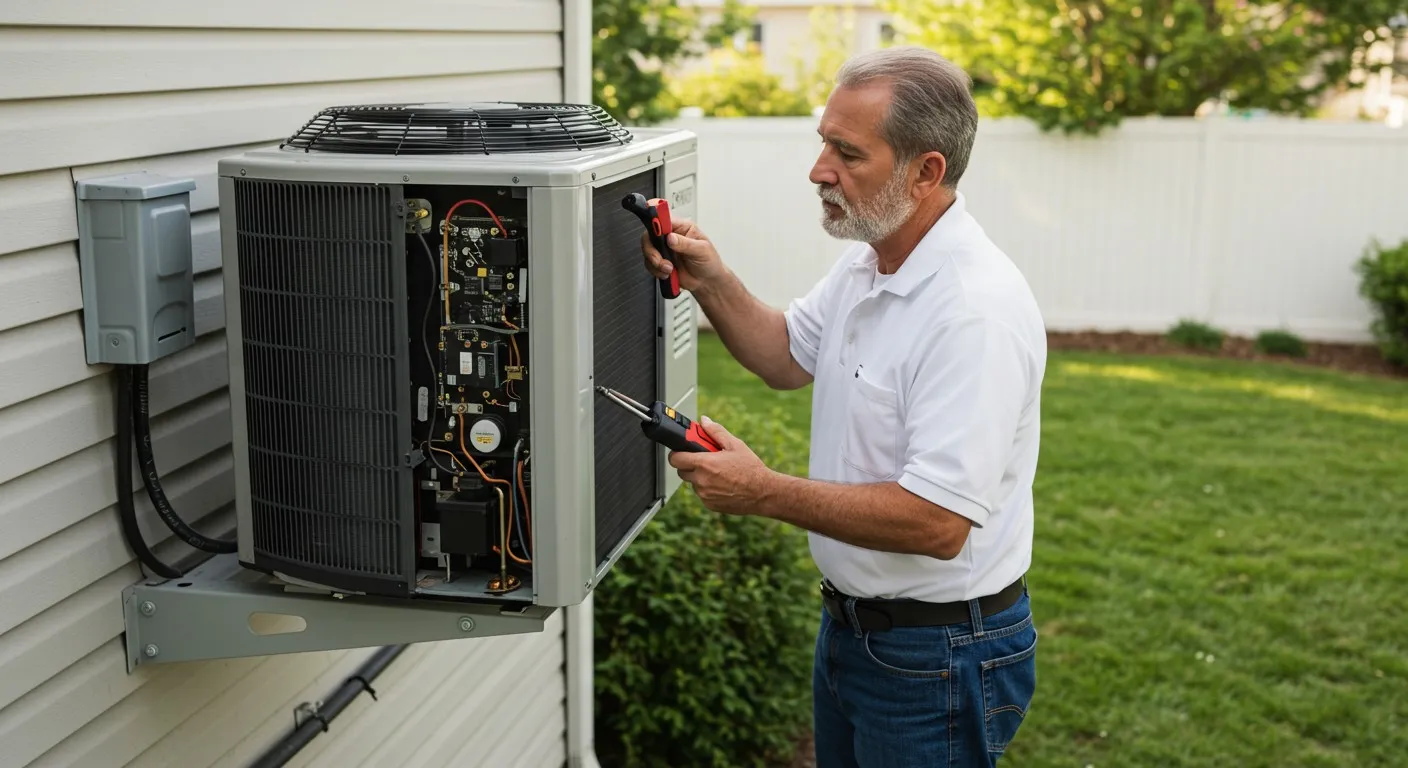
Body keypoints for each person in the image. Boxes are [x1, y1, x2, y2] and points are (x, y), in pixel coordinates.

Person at [640, 46, 1046, 767]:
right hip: (859, 635)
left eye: (846, 152)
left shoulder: (972, 312)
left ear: (925, 172)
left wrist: (762, 492)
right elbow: (786, 355)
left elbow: (939, 520)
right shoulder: (873, 259)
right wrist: (711, 280)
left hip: (939, 657)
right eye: (823, 141)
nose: (818, 169)